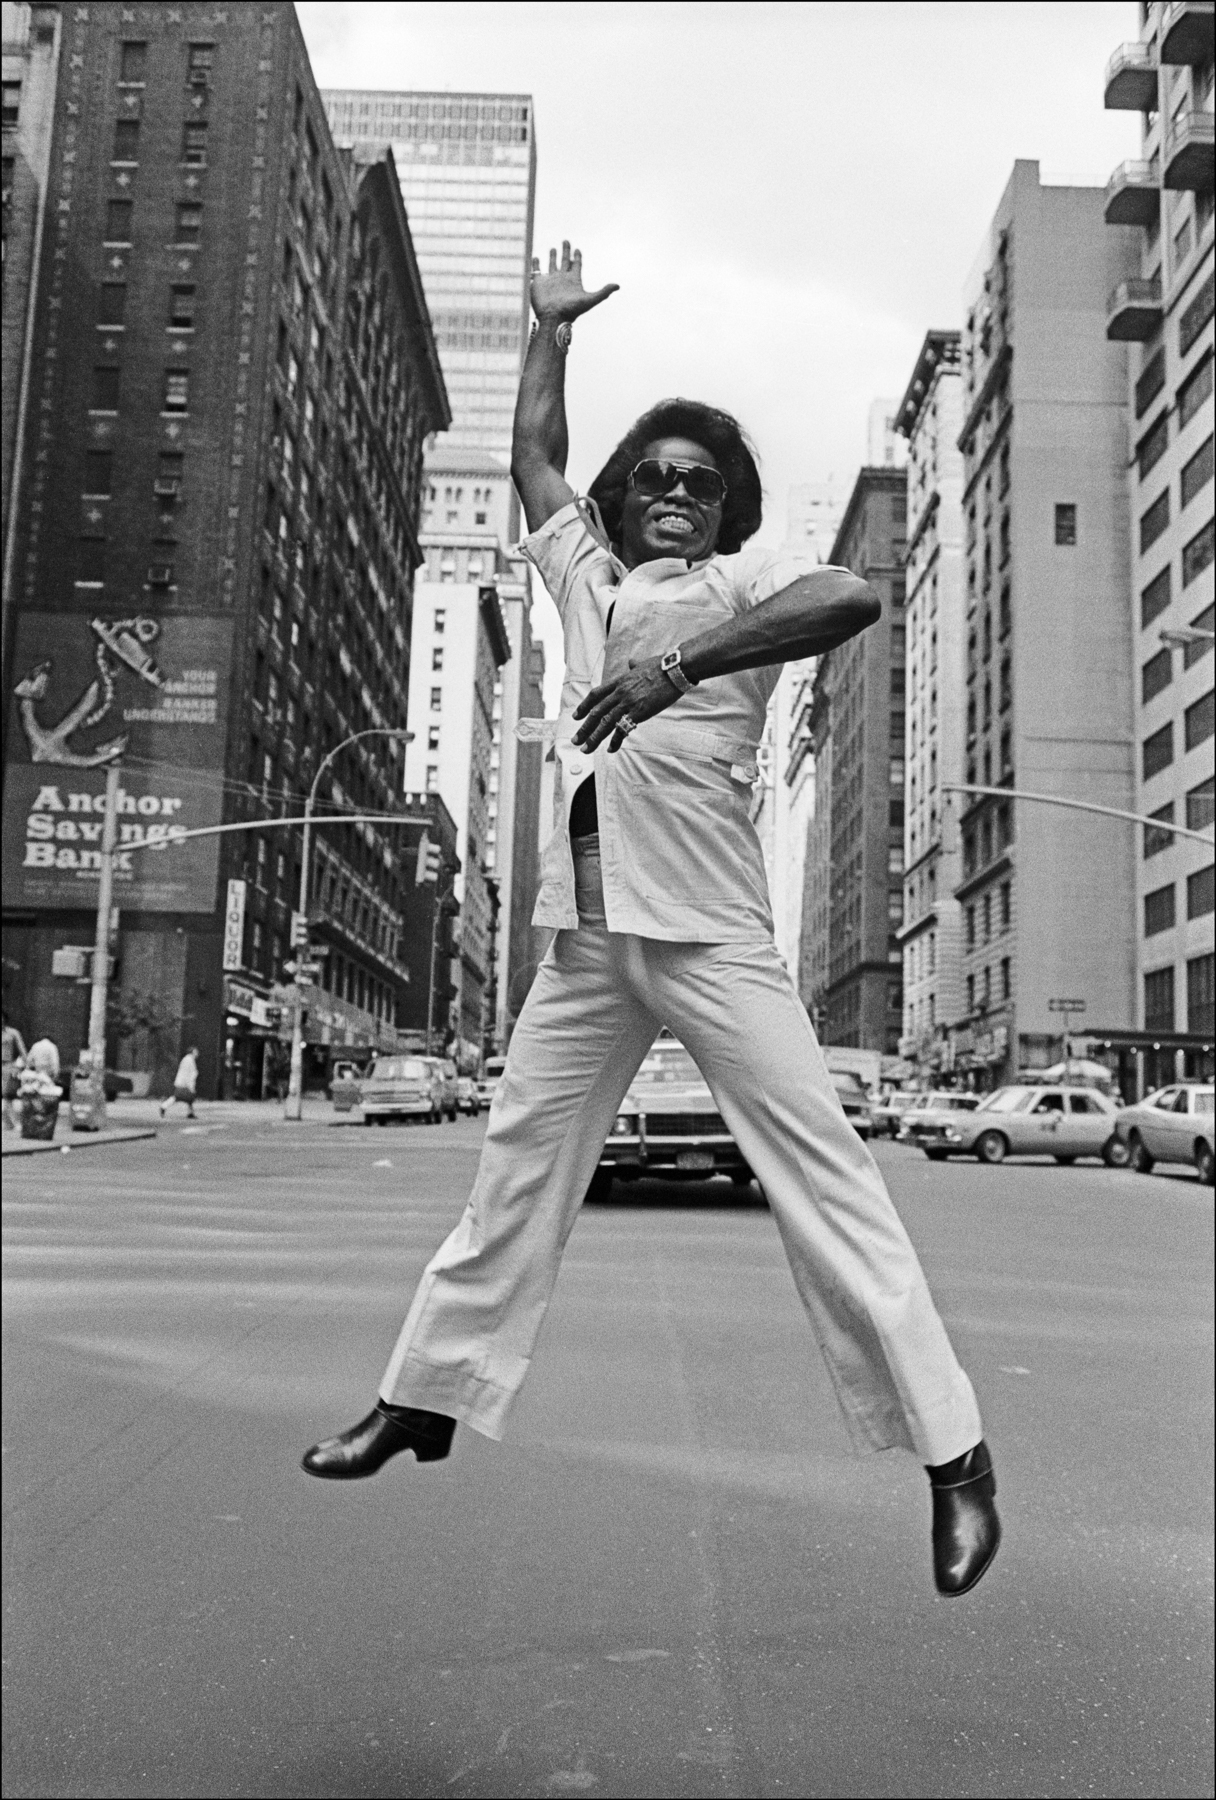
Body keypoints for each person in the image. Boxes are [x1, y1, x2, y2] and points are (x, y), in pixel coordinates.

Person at [302, 245, 1000, 1598]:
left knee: (831, 1189)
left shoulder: (740, 591)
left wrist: (679, 662)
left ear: (727, 508)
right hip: (585, 939)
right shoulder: (587, 583)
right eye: (654, 479)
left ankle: (958, 1463)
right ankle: (425, 1398)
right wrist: (549, 335)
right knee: (514, 1167)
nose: (673, 494)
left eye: (700, 481)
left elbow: (851, 600)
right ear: (626, 505)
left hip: (718, 939)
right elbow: (536, 462)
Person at [2, 1014, 28, 1130]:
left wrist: (26, 1064)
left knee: (7, 1094)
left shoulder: (12, 1033)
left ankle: (11, 1122)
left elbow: (21, 1048)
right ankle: (8, 1122)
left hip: (7, 1065)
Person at [160, 1046, 199, 1120]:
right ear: (192, 1052)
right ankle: (163, 1106)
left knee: (189, 1099)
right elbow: (189, 1073)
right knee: (179, 1097)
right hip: (184, 1084)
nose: (197, 1053)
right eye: (196, 1052)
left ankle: (190, 1113)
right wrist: (190, 1086)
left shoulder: (188, 1059)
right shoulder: (189, 1060)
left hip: (182, 1083)